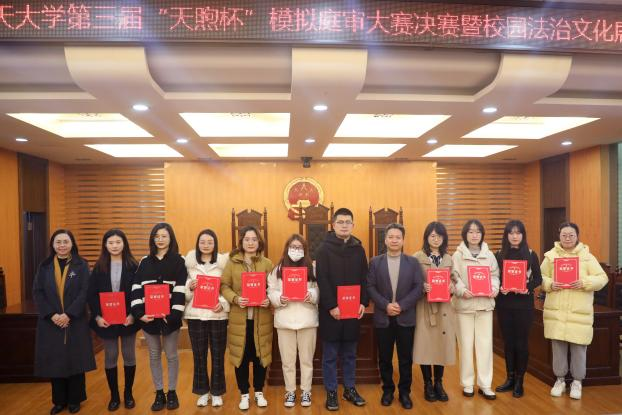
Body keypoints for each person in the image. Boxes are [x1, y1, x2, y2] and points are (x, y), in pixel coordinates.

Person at [540, 222, 608, 400]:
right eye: (564, 235)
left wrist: (585, 283)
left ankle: (577, 382)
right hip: (557, 311)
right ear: (559, 236)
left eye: (571, 235)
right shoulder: (551, 256)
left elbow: (602, 278)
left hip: (579, 312)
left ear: (577, 236)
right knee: (558, 347)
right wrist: (549, 284)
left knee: (579, 348)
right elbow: (541, 277)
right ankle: (560, 380)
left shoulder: (587, 257)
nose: (568, 238)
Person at [33, 229, 96, 414]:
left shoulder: (81, 265)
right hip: (51, 322)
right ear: (52, 245)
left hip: (75, 320)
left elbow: (85, 291)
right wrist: (52, 315)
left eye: (65, 242)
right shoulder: (44, 266)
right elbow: (37, 292)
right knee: (56, 361)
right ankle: (59, 401)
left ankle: (75, 399)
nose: (62, 245)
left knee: (76, 359)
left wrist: (69, 314)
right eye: (58, 242)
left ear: (72, 244)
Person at [316, 207, 369, 411]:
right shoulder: (323, 249)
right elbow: (322, 279)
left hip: (353, 310)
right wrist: (331, 306)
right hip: (331, 312)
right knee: (330, 355)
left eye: (348, 222)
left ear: (353, 225)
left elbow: (365, 277)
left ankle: (349, 389)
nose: (344, 225)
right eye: (340, 222)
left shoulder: (359, 249)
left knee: (350, 354)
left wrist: (363, 302)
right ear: (333, 225)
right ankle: (331, 391)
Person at [130, 223, 187, 411]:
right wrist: (139, 314)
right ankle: (159, 392)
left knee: (171, 355)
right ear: (152, 239)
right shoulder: (144, 261)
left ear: (171, 239)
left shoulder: (179, 261)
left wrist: (173, 315)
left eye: (164, 236)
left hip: (170, 318)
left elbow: (180, 289)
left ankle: (172, 392)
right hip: (148, 318)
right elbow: (136, 288)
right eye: (157, 236)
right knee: (154, 355)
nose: (160, 239)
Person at [367, 223, 423, 409]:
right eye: (390, 237)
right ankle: (388, 390)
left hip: (405, 317)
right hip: (383, 317)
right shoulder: (375, 262)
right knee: (384, 358)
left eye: (398, 237)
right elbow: (370, 287)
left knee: (405, 358)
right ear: (385, 240)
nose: (394, 240)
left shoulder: (412, 262)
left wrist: (401, 305)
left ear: (403, 240)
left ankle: (405, 392)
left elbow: (418, 288)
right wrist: (386, 305)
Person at [221, 225, 274, 410]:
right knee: (241, 356)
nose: (250, 243)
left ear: (259, 242)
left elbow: (273, 288)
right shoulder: (232, 262)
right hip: (239, 319)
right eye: (247, 239)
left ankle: (259, 392)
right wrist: (236, 299)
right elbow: (224, 286)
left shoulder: (267, 263)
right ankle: (244, 393)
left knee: (261, 356)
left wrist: (269, 299)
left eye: (254, 239)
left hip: (261, 318)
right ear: (241, 242)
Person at [87, 229, 139, 411]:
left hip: (128, 319)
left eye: (118, 242)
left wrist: (133, 315)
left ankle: (128, 394)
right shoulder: (99, 266)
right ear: (105, 245)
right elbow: (91, 294)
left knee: (129, 355)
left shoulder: (133, 265)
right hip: (106, 320)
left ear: (124, 244)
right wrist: (97, 316)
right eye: (110, 242)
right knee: (110, 356)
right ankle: (114, 396)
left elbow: (138, 293)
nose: (114, 246)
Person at [267, 234, 319, 407]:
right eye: (293, 247)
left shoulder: (313, 268)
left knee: (306, 360)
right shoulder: (277, 270)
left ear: (305, 249)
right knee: (287, 361)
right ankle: (290, 391)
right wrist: (279, 298)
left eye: (299, 247)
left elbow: (319, 289)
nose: (296, 250)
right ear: (287, 248)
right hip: (285, 320)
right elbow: (271, 290)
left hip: (307, 319)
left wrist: (311, 295)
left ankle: (306, 391)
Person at [452, 219, 500, 400]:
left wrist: (494, 288)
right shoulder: (457, 255)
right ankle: (467, 383)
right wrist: (461, 290)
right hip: (464, 307)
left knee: (485, 346)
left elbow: (495, 275)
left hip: (485, 306)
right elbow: (453, 277)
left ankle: (485, 384)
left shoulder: (489, 255)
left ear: (482, 234)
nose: (474, 235)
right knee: (465, 346)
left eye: (478, 231)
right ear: (465, 234)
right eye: (471, 232)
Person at [494, 220, 542, 398]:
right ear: (506, 235)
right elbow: (494, 277)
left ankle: (520, 381)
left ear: (523, 235)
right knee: (508, 342)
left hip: (524, 306)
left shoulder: (531, 254)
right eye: (511, 233)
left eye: (518, 233)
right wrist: (500, 286)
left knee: (521, 343)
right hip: (504, 305)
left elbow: (538, 279)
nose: (515, 236)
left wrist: (527, 288)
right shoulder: (499, 254)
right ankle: (510, 378)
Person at [184, 229, 230, 408]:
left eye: (210, 242)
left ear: (215, 244)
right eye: (202, 242)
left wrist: (223, 303)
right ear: (197, 244)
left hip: (217, 315)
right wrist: (190, 287)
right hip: (195, 315)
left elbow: (227, 287)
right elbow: (184, 293)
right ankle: (202, 392)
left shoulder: (223, 265)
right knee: (199, 355)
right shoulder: (190, 264)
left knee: (218, 355)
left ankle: (217, 392)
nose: (206, 245)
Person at [413, 221, 456, 403]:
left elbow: (455, 279)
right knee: (425, 345)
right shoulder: (417, 257)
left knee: (441, 345)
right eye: (432, 236)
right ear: (426, 237)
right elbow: (411, 281)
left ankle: (439, 383)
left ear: (444, 238)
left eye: (439, 236)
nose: (436, 239)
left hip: (444, 309)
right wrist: (422, 286)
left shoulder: (448, 258)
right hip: (425, 308)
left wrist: (452, 286)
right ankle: (427, 384)